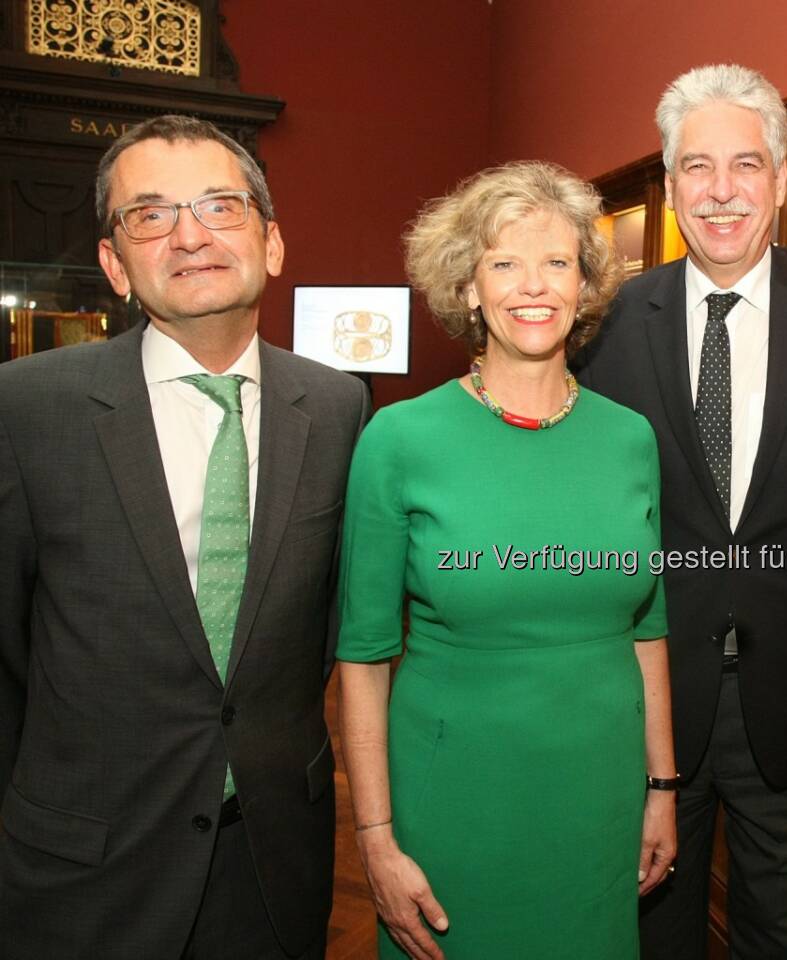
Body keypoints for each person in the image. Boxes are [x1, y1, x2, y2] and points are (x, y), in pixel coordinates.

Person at [0, 115, 368, 958]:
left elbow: (321, 633)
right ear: (113, 264)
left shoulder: (340, 408)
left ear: (272, 243)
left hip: (273, 857)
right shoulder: (26, 409)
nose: (190, 236)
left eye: (219, 207)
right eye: (151, 215)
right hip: (84, 868)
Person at [577, 65, 787, 959]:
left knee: (783, 937)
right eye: (697, 167)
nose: (721, 191)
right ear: (667, 183)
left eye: (745, 164)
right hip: (645, 692)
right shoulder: (608, 325)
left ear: (781, 175)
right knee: (654, 931)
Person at [337, 161, 677, 960]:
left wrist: (662, 789)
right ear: (468, 288)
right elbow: (362, 652)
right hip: (458, 799)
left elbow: (649, 630)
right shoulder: (399, 439)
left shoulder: (630, 438)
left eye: (558, 262)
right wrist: (376, 839)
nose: (535, 284)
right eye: (505, 262)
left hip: (601, 798)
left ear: (586, 286)